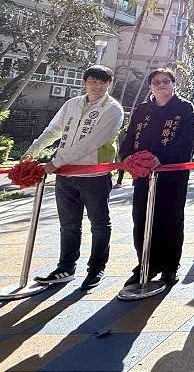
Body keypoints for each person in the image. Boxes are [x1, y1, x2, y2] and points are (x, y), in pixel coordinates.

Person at [23, 65, 123, 290]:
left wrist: (56, 162)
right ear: (85, 82)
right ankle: (65, 267)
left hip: (94, 173)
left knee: (99, 223)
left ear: (109, 84)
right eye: (92, 82)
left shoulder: (113, 109)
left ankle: (96, 269)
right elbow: (53, 130)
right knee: (68, 224)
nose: (97, 86)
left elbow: (92, 142)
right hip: (66, 175)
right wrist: (32, 152)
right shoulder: (72, 104)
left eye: (102, 82)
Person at [120, 68, 194, 288]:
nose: (161, 85)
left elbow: (185, 139)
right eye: (156, 82)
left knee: (170, 220)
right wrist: (127, 157)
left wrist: (159, 158)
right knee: (141, 219)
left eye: (166, 81)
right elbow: (130, 135)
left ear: (173, 84)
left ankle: (170, 266)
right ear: (150, 86)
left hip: (172, 174)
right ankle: (146, 263)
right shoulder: (143, 109)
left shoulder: (184, 108)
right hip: (144, 174)